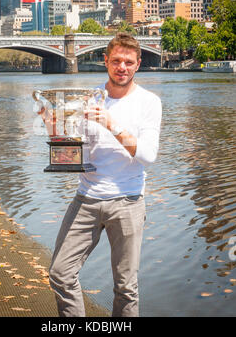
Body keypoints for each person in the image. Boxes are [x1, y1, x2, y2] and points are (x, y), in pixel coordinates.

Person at [38, 32, 162, 317]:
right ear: (105, 61)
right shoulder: (88, 98)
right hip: (87, 198)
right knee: (60, 272)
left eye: (128, 62)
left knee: (126, 287)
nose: (122, 67)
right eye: (116, 60)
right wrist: (52, 128)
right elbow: (70, 155)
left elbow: (147, 155)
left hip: (128, 201)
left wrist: (110, 123)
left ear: (138, 64)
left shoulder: (149, 102)